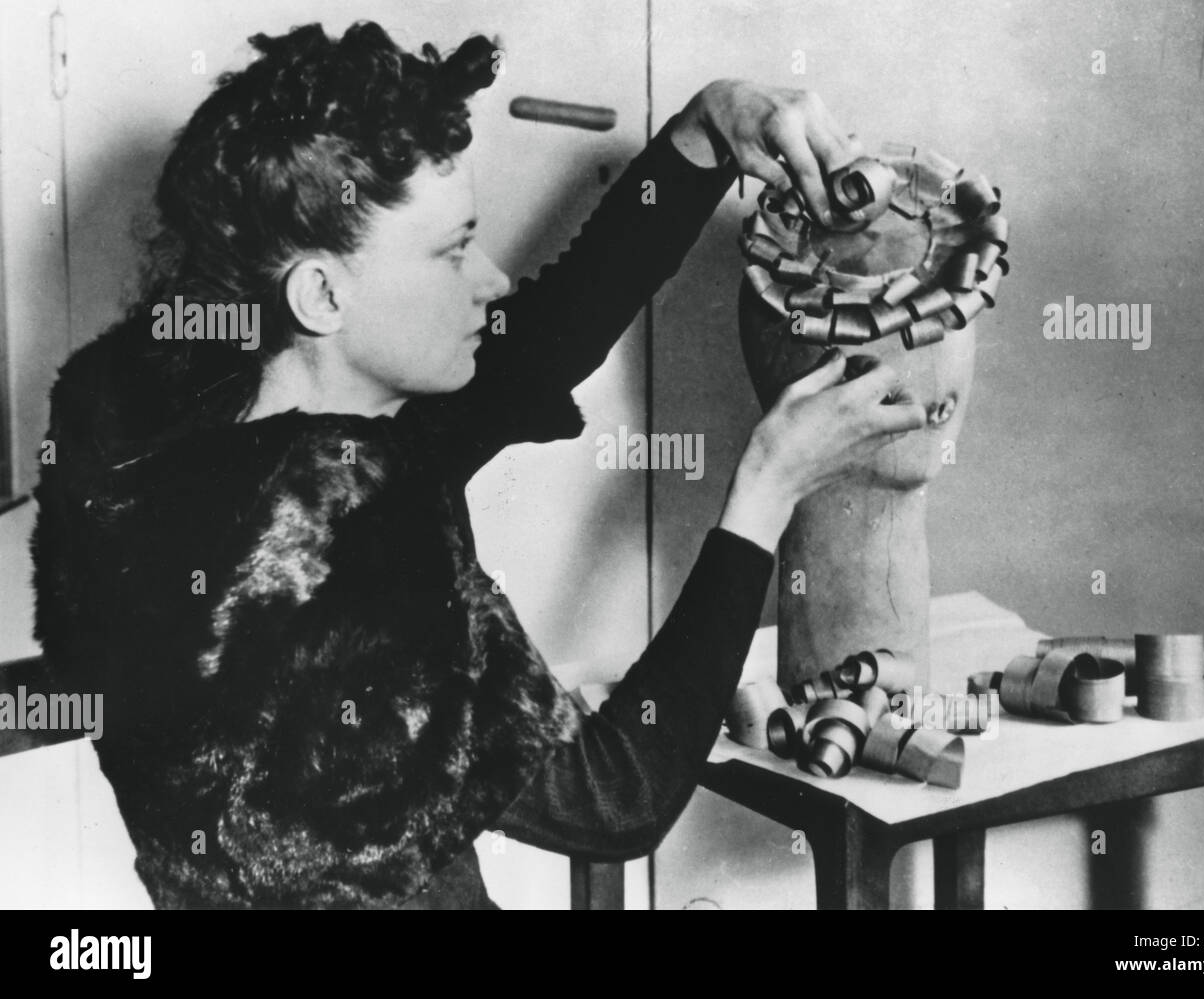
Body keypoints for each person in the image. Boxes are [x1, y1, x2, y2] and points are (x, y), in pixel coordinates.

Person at [30, 21, 926, 908]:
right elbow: (618, 800)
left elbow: (528, 349)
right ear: (323, 293)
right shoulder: (344, 570)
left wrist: (705, 133)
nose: (491, 278)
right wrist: (767, 485)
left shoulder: (212, 426)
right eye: (454, 250)